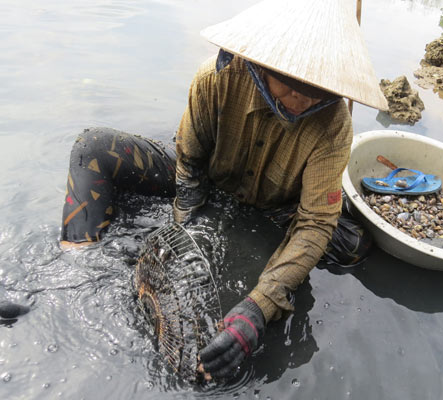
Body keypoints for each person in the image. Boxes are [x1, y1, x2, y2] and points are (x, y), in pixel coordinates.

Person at [60, 0, 388, 381]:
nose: (306, 100)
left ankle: (248, 253)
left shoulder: (333, 125)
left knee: (353, 245)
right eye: (295, 87)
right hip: (208, 183)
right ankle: (74, 266)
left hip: (272, 210)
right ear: (263, 64)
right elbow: (190, 165)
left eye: (319, 92)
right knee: (93, 148)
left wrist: (258, 307)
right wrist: (189, 229)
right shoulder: (215, 79)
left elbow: (315, 223)